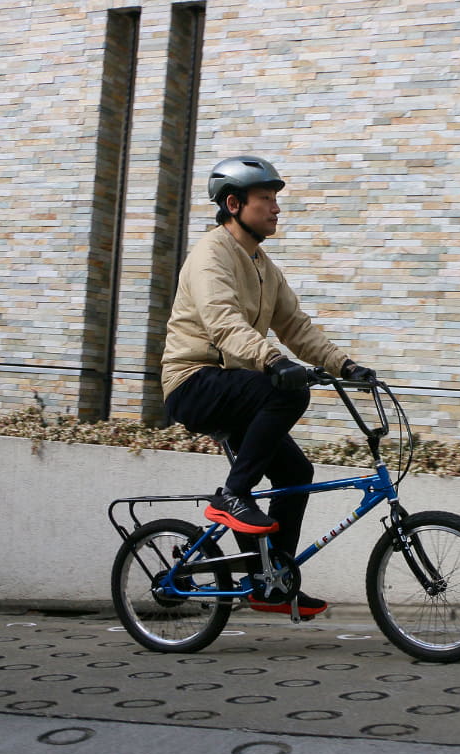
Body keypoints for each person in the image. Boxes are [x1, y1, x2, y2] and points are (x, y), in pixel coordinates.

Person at [161, 155, 375, 617]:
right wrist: (273, 360)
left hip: (234, 388)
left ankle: (268, 581)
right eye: (266, 200)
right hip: (194, 381)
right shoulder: (210, 255)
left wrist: (346, 366)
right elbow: (222, 322)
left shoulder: (261, 263)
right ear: (234, 204)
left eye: (277, 200)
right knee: (287, 391)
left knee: (296, 475)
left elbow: (295, 326)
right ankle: (233, 497)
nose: (276, 209)